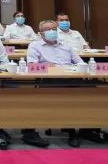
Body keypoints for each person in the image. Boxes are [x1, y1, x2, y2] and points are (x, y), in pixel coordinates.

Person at [26, 20, 87, 148]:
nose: (52, 32)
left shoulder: (66, 45)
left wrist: (79, 67)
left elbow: (80, 62)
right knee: (63, 95)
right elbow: (31, 65)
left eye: (54, 29)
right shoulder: (35, 46)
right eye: (48, 29)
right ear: (41, 33)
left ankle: (87, 129)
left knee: (92, 92)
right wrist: (50, 67)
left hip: (71, 77)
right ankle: (70, 130)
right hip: (49, 79)